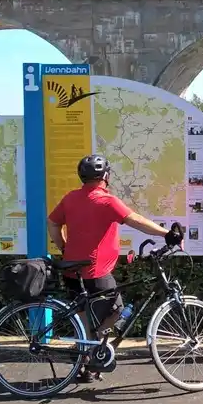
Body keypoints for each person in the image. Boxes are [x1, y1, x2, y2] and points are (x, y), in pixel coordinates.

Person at [47, 154, 184, 382]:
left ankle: (87, 364)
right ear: (106, 177)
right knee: (116, 309)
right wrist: (166, 234)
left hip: (72, 271)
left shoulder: (71, 198)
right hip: (95, 272)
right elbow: (135, 220)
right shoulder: (106, 200)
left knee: (83, 321)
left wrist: (64, 247)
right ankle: (96, 353)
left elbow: (53, 223)